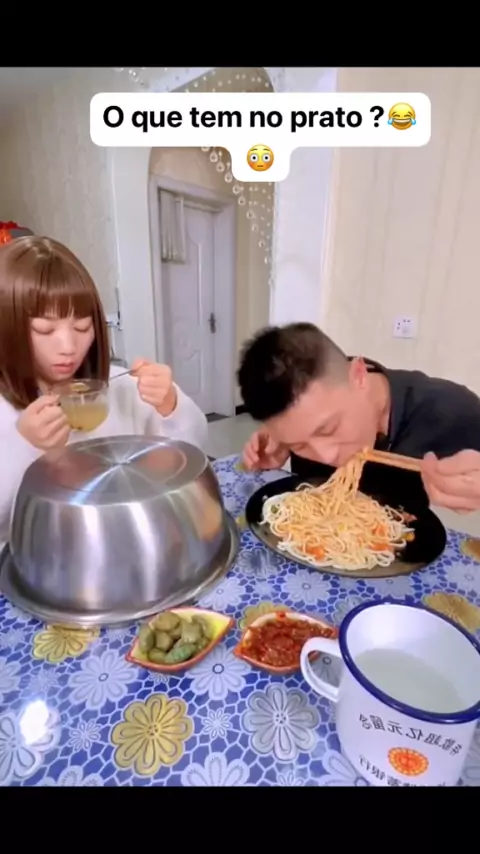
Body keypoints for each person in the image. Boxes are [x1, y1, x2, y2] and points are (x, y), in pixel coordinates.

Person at [0, 235, 208, 547]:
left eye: (82, 327)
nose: (68, 347)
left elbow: (192, 453)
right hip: (42, 558)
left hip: (130, 544)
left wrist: (171, 405)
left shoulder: (122, 388)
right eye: (45, 330)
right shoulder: (5, 410)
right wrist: (23, 445)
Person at [238, 323, 480, 513]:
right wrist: (282, 443)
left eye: (328, 429)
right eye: (300, 445)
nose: (327, 456)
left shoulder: (453, 410)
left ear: (359, 376)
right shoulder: (307, 415)